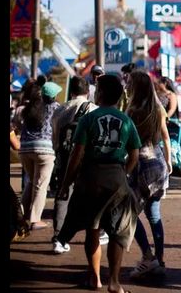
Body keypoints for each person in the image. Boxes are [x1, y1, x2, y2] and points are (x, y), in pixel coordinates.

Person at [56, 74, 141, 293]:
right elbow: (134, 155)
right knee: (118, 231)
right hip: (116, 179)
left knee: (92, 229)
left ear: (100, 94)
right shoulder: (126, 120)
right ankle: (114, 281)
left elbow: (76, 154)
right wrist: (123, 173)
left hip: (90, 178)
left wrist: (66, 184)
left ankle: (94, 278)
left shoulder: (88, 118)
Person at [125, 71, 173, 280]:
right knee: (154, 214)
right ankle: (160, 260)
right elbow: (165, 136)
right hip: (159, 163)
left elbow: (130, 145)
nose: (126, 86)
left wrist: (125, 167)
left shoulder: (132, 111)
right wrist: (169, 161)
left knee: (130, 214)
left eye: (129, 83)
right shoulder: (158, 108)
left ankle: (147, 256)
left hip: (141, 165)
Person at [50, 76, 98, 254]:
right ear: (87, 91)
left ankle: (58, 238)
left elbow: (55, 138)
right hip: (87, 162)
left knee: (63, 195)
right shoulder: (93, 109)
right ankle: (94, 235)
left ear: (71, 91)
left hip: (65, 159)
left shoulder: (60, 110)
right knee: (91, 198)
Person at [12, 81, 62, 230]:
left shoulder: (29, 108)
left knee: (31, 183)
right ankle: (35, 219)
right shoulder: (57, 108)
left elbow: (19, 126)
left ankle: (18, 214)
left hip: (25, 149)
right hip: (45, 150)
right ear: (54, 95)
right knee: (41, 186)